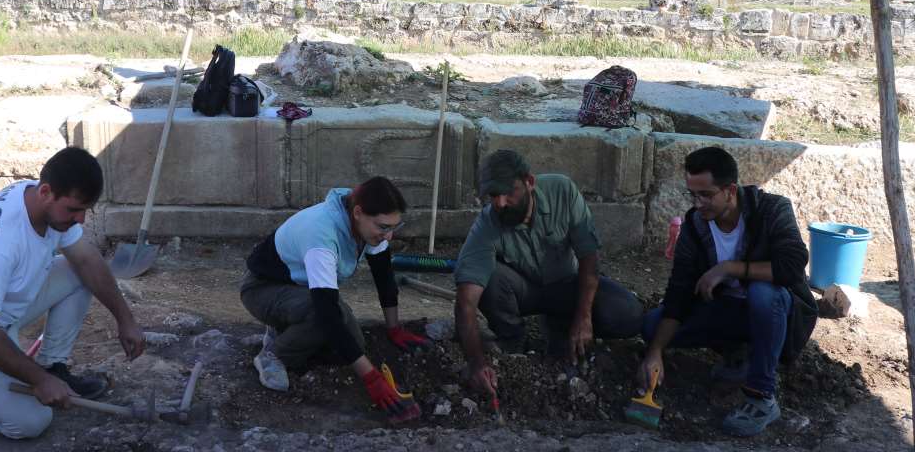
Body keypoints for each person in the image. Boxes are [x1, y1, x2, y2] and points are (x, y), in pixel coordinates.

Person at [0, 147, 146, 440]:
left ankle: (53, 365)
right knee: (31, 421)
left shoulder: (39, 202)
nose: (81, 220)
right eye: (74, 210)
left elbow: (87, 260)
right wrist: (37, 380)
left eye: (85, 210)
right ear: (46, 192)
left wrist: (126, 320)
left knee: (78, 271)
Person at [637, 146, 817, 437]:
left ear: (730, 190)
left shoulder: (770, 209)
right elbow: (679, 293)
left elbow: (792, 266)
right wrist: (655, 352)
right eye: (692, 195)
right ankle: (739, 355)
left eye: (705, 195)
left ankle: (761, 396)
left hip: (779, 314)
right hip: (728, 313)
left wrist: (730, 268)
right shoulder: (695, 226)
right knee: (651, 326)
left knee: (763, 293)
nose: (697, 204)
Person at [454, 149, 643, 400]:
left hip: (567, 284)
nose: (499, 203)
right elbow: (466, 301)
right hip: (524, 291)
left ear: (529, 182)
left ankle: (562, 326)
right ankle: (513, 344)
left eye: (508, 193)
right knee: (490, 278)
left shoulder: (561, 191)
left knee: (627, 313)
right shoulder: (487, 222)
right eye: (493, 195)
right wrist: (476, 364)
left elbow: (589, 257)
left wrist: (584, 316)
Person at [241, 176, 428, 420]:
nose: (388, 236)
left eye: (394, 227)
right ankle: (274, 354)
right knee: (324, 319)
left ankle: (286, 328)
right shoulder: (322, 235)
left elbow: (384, 275)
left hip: (298, 288)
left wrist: (394, 328)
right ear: (359, 212)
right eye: (383, 227)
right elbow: (327, 312)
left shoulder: (363, 223)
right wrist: (371, 379)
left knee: (352, 347)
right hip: (263, 289)